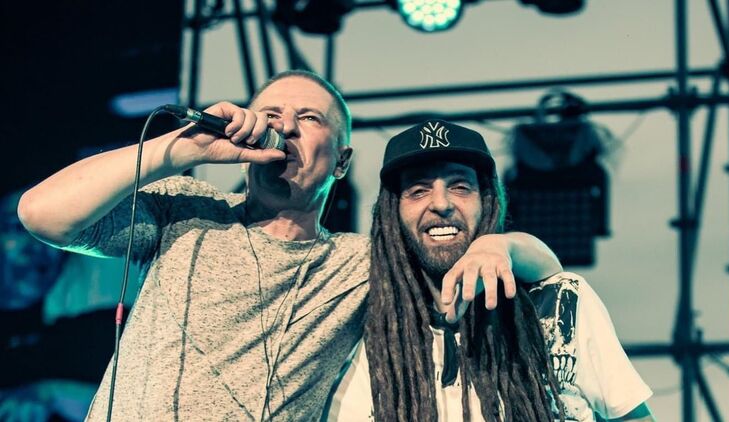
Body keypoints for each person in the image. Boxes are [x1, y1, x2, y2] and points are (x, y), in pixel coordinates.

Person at [17, 70, 560, 421]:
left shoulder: (362, 261)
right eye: (272, 116)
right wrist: (183, 148)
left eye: (309, 118)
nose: (286, 128)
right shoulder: (186, 210)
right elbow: (42, 215)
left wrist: (501, 246)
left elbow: (551, 273)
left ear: (341, 162)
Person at [325, 120, 655, 421]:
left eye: (460, 187)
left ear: (486, 202)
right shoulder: (362, 335)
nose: (441, 204)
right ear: (392, 213)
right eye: (418, 190)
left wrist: (505, 246)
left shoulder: (560, 302)